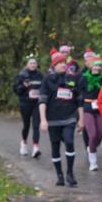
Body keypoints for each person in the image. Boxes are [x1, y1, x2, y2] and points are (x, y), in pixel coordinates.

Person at [38, 52, 84, 186]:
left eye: (64, 63)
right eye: (59, 63)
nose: (63, 65)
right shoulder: (47, 80)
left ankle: (70, 172)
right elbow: (42, 101)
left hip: (69, 117)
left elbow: (79, 100)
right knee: (55, 146)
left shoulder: (72, 79)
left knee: (69, 142)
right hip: (52, 119)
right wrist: (43, 120)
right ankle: (59, 175)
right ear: (54, 65)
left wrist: (81, 119)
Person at [13, 56, 44, 158]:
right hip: (25, 103)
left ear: (37, 65)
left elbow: (44, 88)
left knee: (36, 125)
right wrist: (23, 86)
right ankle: (24, 143)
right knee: (26, 125)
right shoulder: (22, 75)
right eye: (31, 63)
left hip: (36, 104)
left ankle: (36, 148)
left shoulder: (40, 75)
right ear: (27, 64)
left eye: (34, 63)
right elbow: (16, 90)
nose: (33, 65)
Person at [82, 58, 102, 171]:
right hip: (87, 108)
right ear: (91, 66)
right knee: (92, 134)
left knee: (100, 133)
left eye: (99, 66)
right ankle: (93, 161)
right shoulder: (84, 78)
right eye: (95, 66)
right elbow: (78, 93)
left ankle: (91, 147)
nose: (97, 68)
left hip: (100, 108)